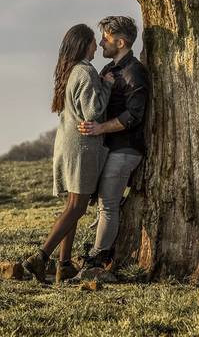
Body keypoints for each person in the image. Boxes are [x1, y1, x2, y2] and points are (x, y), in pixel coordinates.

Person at [20, 23, 114, 284]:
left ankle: (63, 264)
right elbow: (93, 113)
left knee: (72, 206)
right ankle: (41, 257)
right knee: (76, 206)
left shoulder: (70, 71)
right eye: (94, 41)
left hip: (68, 144)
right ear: (84, 45)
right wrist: (106, 86)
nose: (97, 46)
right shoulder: (85, 72)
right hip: (81, 148)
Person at [78, 15, 149, 269]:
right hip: (112, 148)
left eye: (106, 39)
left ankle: (98, 258)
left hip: (125, 149)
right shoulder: (110, 70)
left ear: (120, 42)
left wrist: (100, 128)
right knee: (106, 205)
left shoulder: (134, 72)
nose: (100, 43)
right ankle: (105, 251)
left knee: (108, 205)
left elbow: (133, 116)